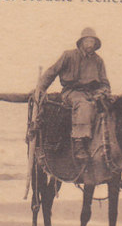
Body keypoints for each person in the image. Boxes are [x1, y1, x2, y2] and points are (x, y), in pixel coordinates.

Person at [34, 27, 112, 164]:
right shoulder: (69, 56)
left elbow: (105, 83)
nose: (89, 45)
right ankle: (79, 144)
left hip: (93, 93)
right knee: (83, 105)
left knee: (108, 107)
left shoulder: (98, 61)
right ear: (81, 42)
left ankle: (105, 146)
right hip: (72, 92)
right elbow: (52, 72)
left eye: (92, 42)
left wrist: (102, 92)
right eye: (87, 41)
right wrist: (40, 89)